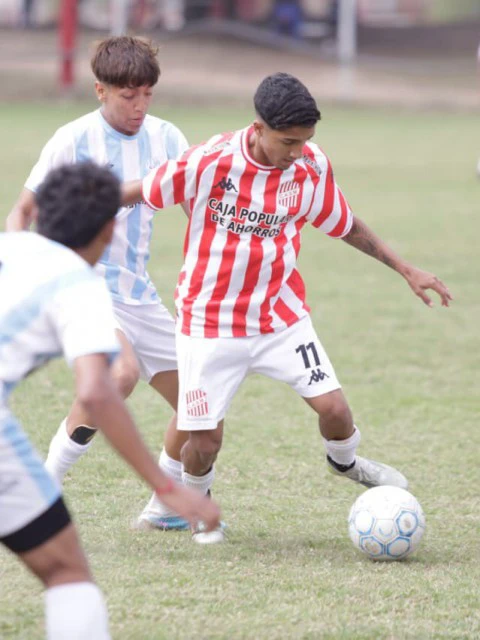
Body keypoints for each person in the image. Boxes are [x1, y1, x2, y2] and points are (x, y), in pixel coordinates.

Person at [123, 72, 452, 543]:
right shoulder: (209, 161)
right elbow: (143, 190)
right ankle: (199, 511)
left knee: (335, 410)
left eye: (305, 141)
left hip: (280, 318)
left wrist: (405, 268)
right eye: (288, 142)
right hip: (209, 324)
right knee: (205, 441)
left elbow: (343, 223)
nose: (298, 152)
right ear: (258, 128)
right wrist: (76, 205)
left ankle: (347, 464)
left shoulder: (310, 167)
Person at [0, 162, 220, 639]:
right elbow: (97, 393)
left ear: (37, 211)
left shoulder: (9, 245)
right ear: (108, 229)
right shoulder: (80, 285)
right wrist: (167, 488)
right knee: (67, 573)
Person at [6, 35, 195, 531]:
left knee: (198, 402)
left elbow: (198, 209)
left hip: (139, 293)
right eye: (128, 95)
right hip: (84, 284)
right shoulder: (73, 140)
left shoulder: (167, 139)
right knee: (120, 374)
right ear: (100, 90)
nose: (139, 106)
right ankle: (42, 488)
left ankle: (165, 509)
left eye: (147, 94)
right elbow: (22, 211)